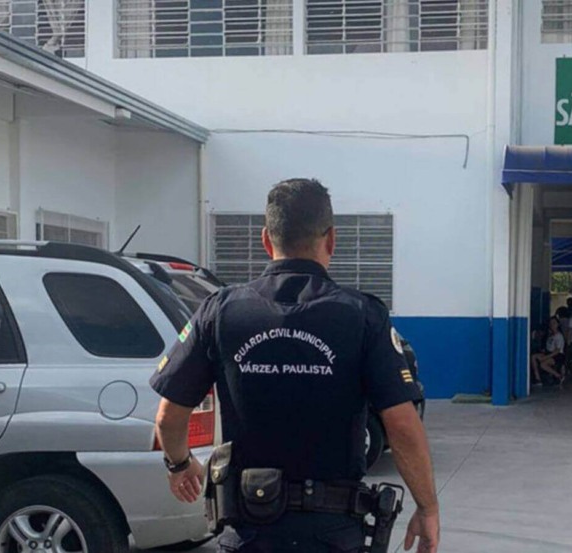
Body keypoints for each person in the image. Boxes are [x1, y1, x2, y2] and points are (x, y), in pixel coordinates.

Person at [150, 179, 439, 553]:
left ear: (266, 240)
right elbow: (401, 424)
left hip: (249, 533)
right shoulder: (362, 316)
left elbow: (168, 416)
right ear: (331, 240)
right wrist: (427, 508)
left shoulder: (220, 312)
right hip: (333, 536)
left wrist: (179, 464)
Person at [531, 317, 565, 386]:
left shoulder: (559, 336)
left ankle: (558, 376)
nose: (552, 325)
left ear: (558, 324)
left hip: (557, 355)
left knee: (543, 364)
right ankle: (538, 379)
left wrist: (545, 357)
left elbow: (557, 350)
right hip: (548, 353)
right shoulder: (550, 335)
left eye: (554, 323)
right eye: (551, 323)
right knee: (533, 357)